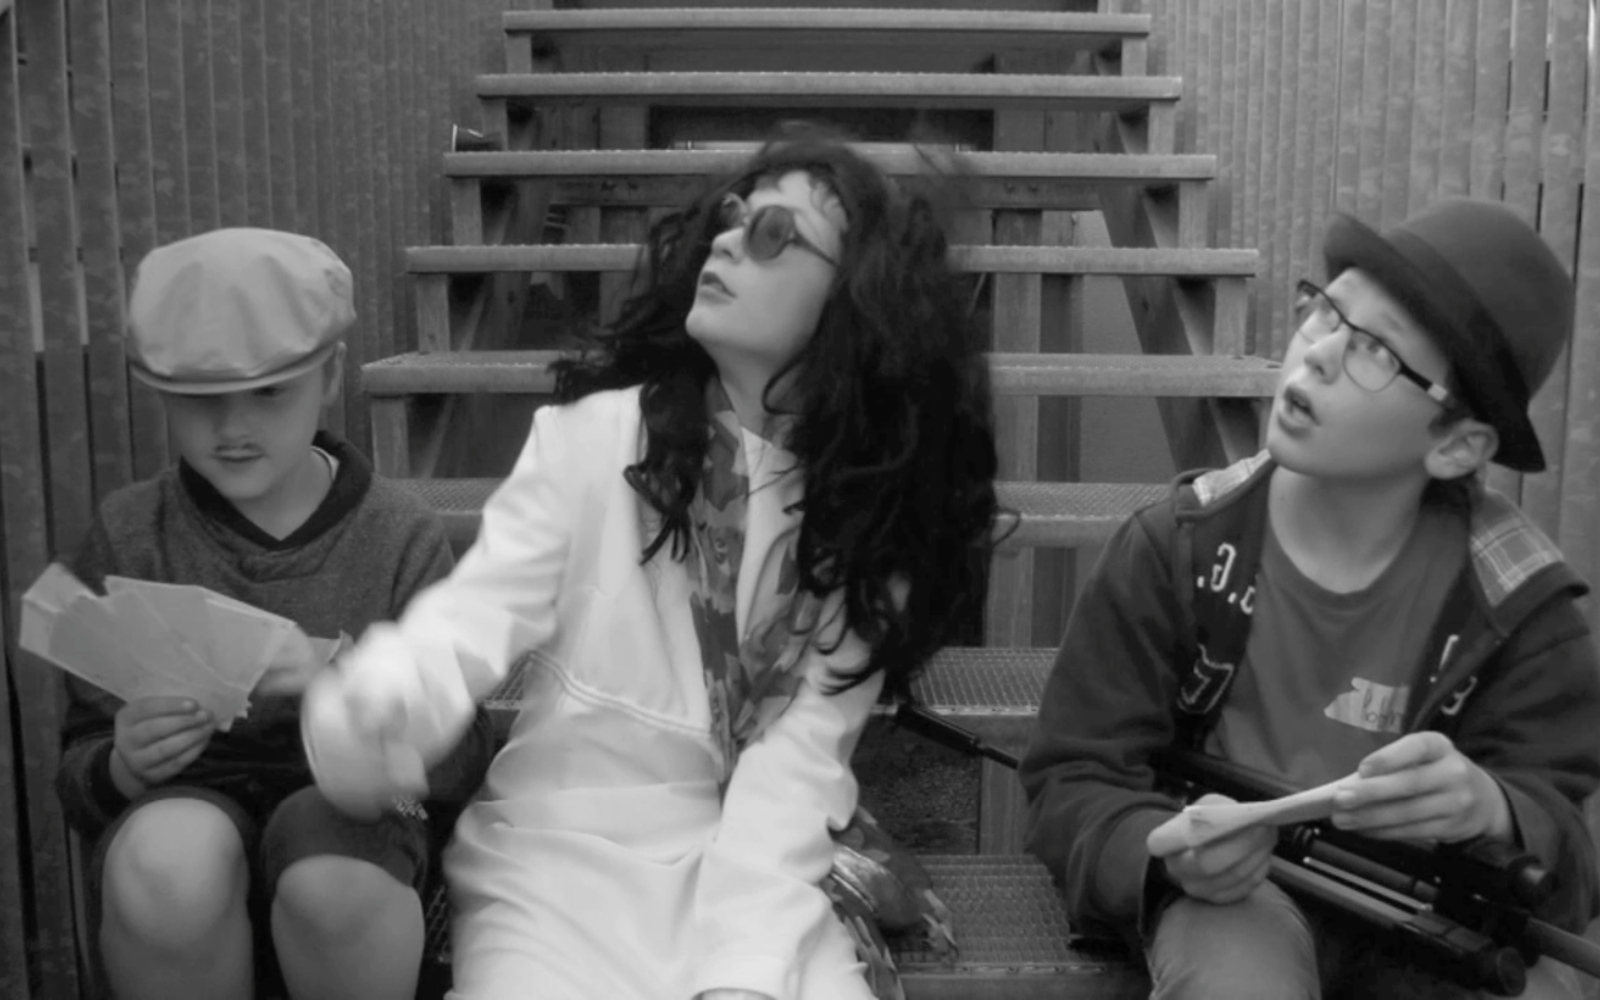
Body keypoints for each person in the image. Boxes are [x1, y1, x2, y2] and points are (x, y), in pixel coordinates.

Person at [300, 126, 1001, 1000]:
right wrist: (385, 698)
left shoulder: (869, 523)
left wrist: (743, 974)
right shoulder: (592, 442)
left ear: (857, 300)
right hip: (556, 858)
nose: (729, 238)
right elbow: (471, 616)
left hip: (749, 869)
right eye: (734, 216)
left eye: (775, 234)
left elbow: (796, 773)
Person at [1020, 199, 1600, 999]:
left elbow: (1565, 850)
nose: (1318, 354)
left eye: (1373, 350)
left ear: (1455, 445)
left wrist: (1494, 808)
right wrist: (1155, 850)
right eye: (1326, 313)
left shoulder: (1518, 607)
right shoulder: (1180, 548)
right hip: (1233, 898)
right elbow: (1072, 775)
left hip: (1437, 915)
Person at [53, 228, 494, 1000]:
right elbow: (79, 763)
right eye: (199, 402)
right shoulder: (129, 532)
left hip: (358, 821)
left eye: (268, 392)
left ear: (327, 378)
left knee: (334, 878)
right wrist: (121, 762)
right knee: (167, 862)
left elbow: (461, 759)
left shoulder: (399, 534)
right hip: (179, 821)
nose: (232, 429)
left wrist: (345, 677)